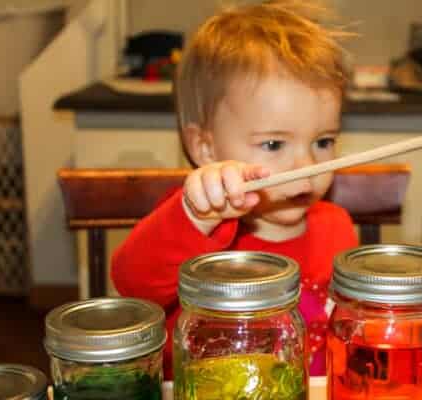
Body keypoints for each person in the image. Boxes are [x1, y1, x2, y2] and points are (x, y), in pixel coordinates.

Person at [111, 0, 357, 379]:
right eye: (274, 145)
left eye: (323, 141)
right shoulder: (197, 223)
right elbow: (131, 283)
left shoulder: (337, 225)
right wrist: (197, 214)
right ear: (205, 148)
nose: (307, 167)